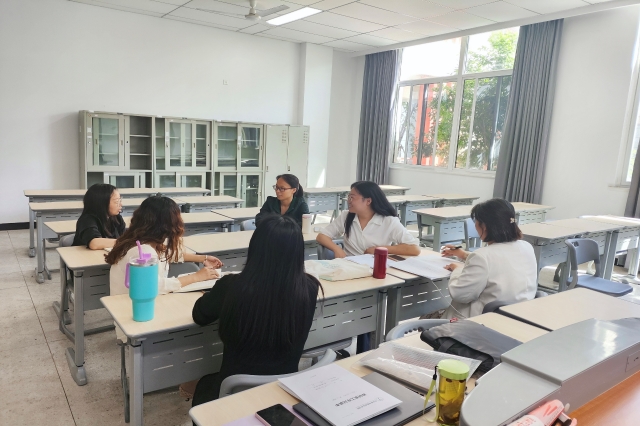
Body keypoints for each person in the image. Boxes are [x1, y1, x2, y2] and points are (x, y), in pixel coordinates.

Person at [190, 215, 323, 407]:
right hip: (283, 392)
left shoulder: (231, 286)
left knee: (202, 383)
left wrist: (214, 294)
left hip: (234, 394)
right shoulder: (309, 288)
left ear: (255, 248)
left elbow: (199, 315)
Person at [106, 196, 223, 307]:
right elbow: (156, 286)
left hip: (136, 306)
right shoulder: (142, 250)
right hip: (133, 310)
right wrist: (196, 277)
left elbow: (167, 254)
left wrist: (203, 258)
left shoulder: (140, 241)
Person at [440, 198, 538, 319]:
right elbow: (499, 262)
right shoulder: (526, 247)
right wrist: (464, 255)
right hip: (517, 316)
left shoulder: (482, 256)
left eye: (476, 221)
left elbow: (460, 295)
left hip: (479, 321)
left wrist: (457, 269)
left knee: (427, 318)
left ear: (484, 226)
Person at [316, 181, 420, 258]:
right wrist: (337, 249)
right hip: (349, 266)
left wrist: (378, 250)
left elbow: (414, 248)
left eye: (352, 197)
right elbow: (322, 236)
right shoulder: (346, 216)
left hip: (374, 267)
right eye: (349, 197)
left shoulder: (389, 221)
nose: (348, 201)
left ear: (368, 201)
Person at [72, 183, 126, 249]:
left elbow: (124, 237)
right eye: (116, 201)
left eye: (120, 200)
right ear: (102, 203)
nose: (121, 204)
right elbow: (94, 243)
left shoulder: (117, 218)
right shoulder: (86, 220)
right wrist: (125, 241)